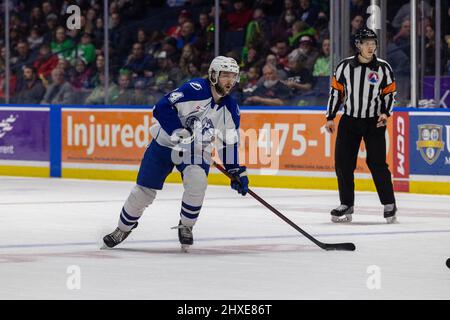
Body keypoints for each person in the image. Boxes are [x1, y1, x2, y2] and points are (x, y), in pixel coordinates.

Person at [102, 56, 249, 251]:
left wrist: (235, 170)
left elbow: (229, 142)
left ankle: (186, 226)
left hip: (195, 151)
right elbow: (160, 108)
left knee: (197, 182)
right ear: (213, 75)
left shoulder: (231, 108)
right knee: (143, 192)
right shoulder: (194, 89)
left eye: (233, 76)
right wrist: (177, 130)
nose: (229, 81)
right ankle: (122, 228)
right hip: (164, 143)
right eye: (225, 76)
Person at [325, 27, 397, 224]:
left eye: (373, 43)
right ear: (358, 45)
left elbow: (390, 93)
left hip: (375, 122)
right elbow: (335, 92)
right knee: (343, 163)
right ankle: (346, 203)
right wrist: (330, 117)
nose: (371, 46)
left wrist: (385, 113)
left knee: (377, 164)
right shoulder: (344, 66)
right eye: (367, 43)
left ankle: (389, 203)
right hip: (349, 120)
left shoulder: (383, 67)